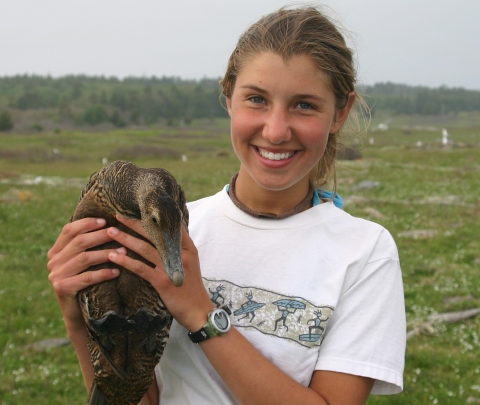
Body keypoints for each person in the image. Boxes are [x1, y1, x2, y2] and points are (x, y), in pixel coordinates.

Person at [47, 5, 406, 405]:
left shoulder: (364, 253)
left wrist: (201, 313)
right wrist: (79, 315)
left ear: (340, 112)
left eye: (304, 105)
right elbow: (134, 398)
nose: (275, 130)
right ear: (228, 97)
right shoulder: (169, 233)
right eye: (256, 99)